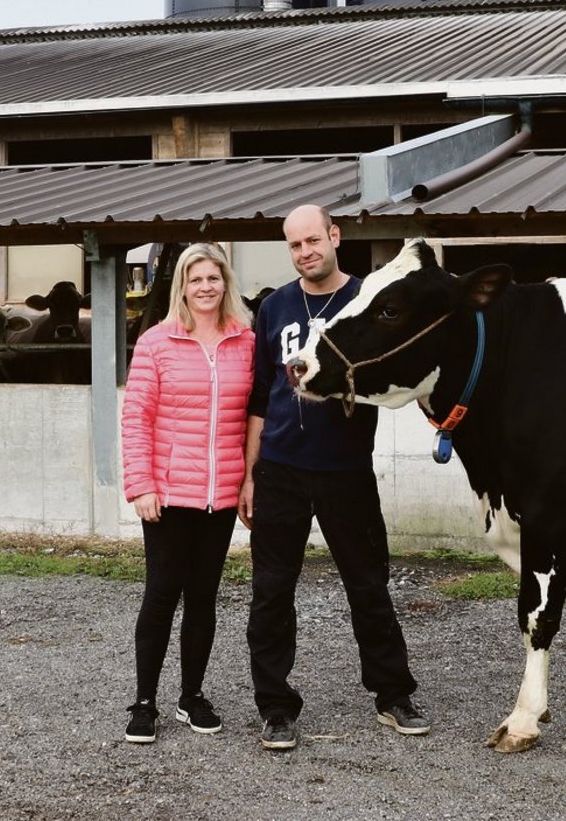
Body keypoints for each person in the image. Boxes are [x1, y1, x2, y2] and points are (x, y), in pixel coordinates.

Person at [238, 204, 428, 751]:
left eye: (313, 240)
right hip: (280, 469)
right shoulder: (274, 307)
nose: (305, 252)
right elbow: (258, 395)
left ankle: (393, 695)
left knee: (368, 587)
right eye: (295, 245)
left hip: (346, 470)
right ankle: (275, 707)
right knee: (272, 591)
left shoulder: (367, 299)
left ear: (335, 236)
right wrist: (251, 472)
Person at [120, 243, 255, 744]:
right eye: (195, 279)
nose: (205, 287)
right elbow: (136, 417)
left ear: (225, 283)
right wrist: (141, 485)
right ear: (182, 285)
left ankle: (191, 695)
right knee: (161, 595)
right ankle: (144, 702)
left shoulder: (245, 342)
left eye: (213, 278)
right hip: (169, 494)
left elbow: (251, 419)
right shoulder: (156, 342)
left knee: (203, 598)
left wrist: (247, 480)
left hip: (219, 494)